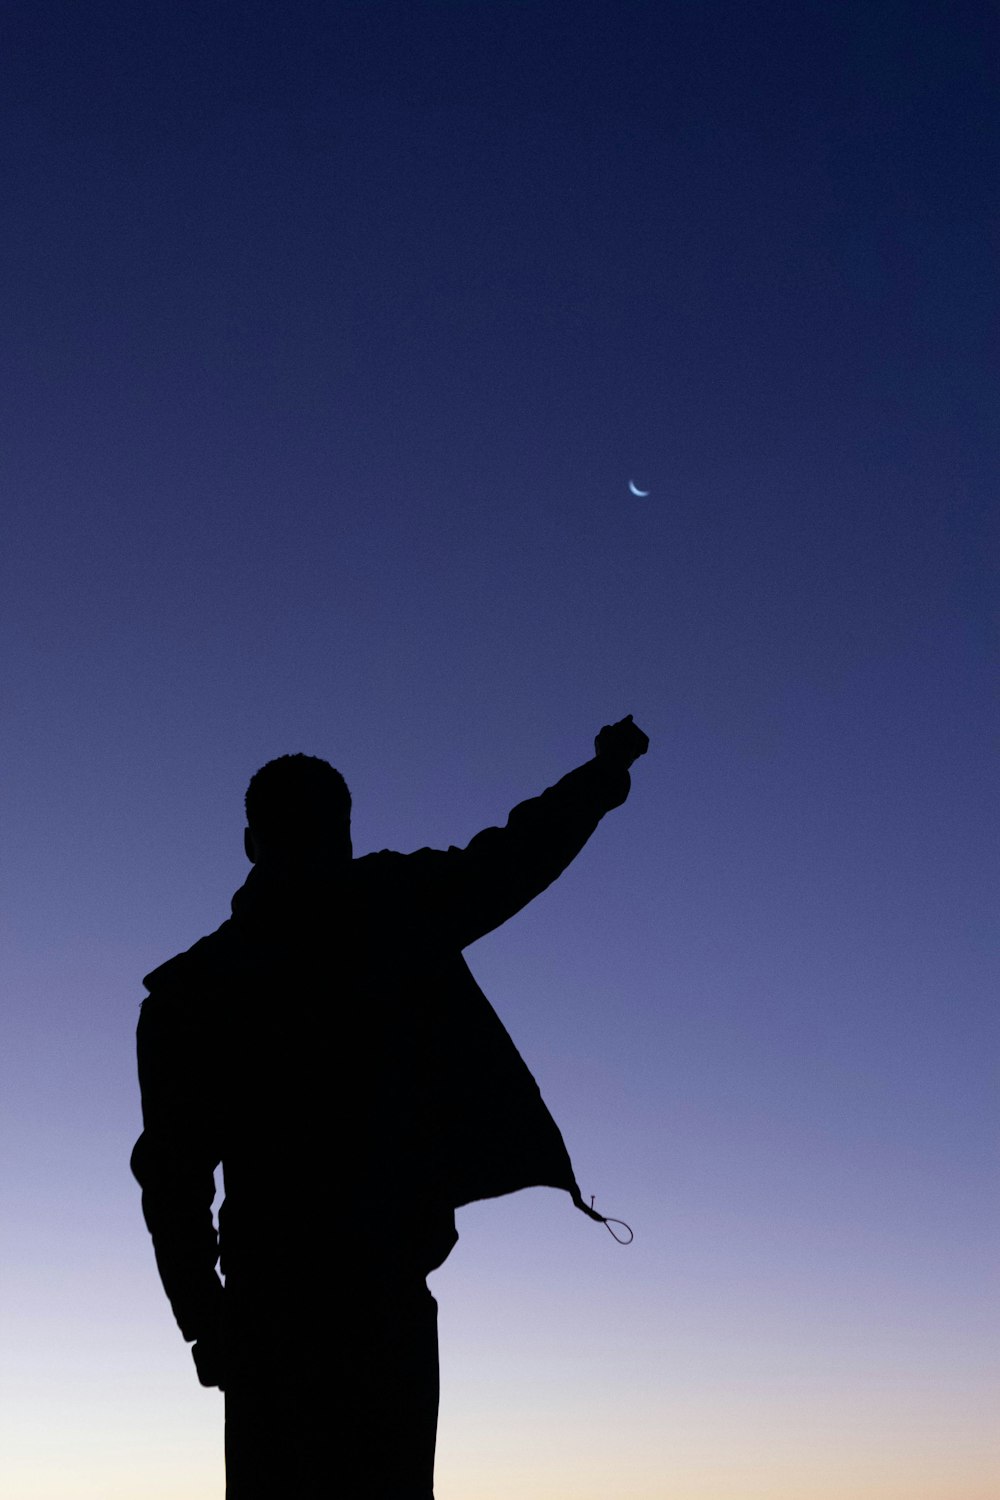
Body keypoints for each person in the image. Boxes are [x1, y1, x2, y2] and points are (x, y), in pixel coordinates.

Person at [130, 714, 648, 1498]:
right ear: (343, 834)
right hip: (366, 1305)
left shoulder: (192, 991)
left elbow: (172, 1183)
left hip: (288, 1316)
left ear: (249, 842)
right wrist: (603, 774)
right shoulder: (396, 910)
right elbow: (516, 855)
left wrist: (208, 1320)